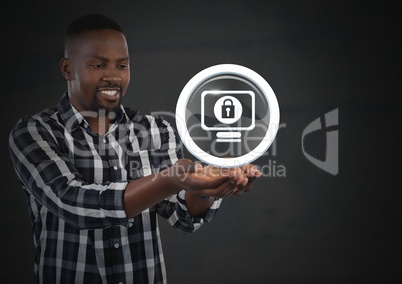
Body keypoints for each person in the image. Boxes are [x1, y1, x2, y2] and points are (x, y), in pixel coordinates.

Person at [9, 14, 261, 284]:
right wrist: (169, 180)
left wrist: (207, 188)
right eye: (98, 64)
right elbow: (71, 203)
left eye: (122, 65)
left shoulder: (156, 130)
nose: (113, 77)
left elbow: (184, 217)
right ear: (67, 68)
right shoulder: (34, 132)